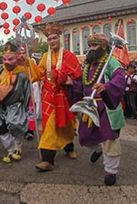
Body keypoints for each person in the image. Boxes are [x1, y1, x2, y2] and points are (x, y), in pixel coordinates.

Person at [74, 33, 126, 185]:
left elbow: (120, 79)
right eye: (89, 46)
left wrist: (106, 87)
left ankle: (111, 171)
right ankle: (97, 150)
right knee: (85, 137)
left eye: (94, 45)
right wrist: (72, 84)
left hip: (107, 107)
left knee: (110, 139)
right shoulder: (87, 65)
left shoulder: (112, 62)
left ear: (103, 47)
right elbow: (82, 85)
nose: (91, 49)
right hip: (89, 106)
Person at [35, 23, 82, 172]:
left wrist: (63, 78)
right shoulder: (44, 57)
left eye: (54, 38)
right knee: (49, 125)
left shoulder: (68, 55)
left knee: (66, 124)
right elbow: (38, 74)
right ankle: (47, 160)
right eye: (49, 39)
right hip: (48, 95)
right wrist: (27, 64)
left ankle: (69, 147)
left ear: (59, 39)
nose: (52, 41)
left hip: (64, 94)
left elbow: (78, 75)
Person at [0, 42, 30, 163]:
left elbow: (27, 92)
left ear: (16, 58)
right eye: (4, 59)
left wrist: (26, 108)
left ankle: (18, 147)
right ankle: (11, 150)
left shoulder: (22, 73)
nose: (7, 62)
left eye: (10, 59)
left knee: (15, 126)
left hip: (15, 105)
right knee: (2, 129)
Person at [17, 46, 40, 140]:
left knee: (31, 109)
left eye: (24, 53)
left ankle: (30, 130)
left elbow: (36, 75)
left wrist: (29, 81)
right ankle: (22, 128)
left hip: (30, 89)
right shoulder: (16, 63)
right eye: (20, 53)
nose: (22, 55)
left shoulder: (30, 62)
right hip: (19, 91)